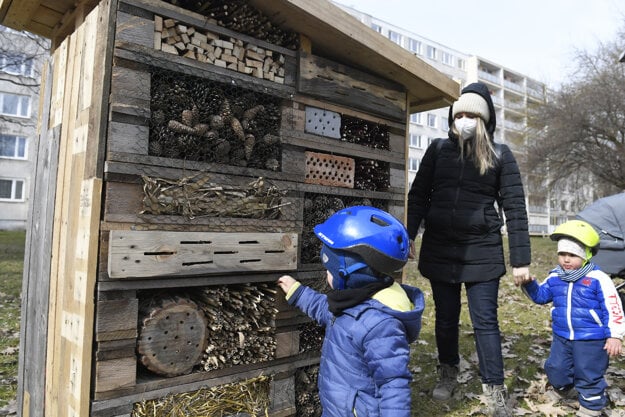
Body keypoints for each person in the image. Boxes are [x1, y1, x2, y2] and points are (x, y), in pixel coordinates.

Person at [406, 81, 531, 416]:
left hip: (482, 249)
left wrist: (521, 259)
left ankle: (495, 388)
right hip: (440, 247)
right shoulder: (436, 150)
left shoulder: (500, 155)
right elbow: (418, 195)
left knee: (485, 322)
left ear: (484, 120)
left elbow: (515, 208)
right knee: (446, 319)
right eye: (459, 113)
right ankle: (448, 369)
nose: (464, 119)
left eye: (471, 115)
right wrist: (409, 236)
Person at [277, 206, 425, 417]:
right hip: (337, 408)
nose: (326, 275)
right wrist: (298, 293)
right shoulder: (352, 301)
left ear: (348, 272)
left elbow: (393, 384)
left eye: (329, 270)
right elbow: (324, 309)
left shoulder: (382, 326)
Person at [521, 220, 625, 417]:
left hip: (591, 339)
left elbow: (614, 307)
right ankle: (568, 389)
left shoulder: (598, 279)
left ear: (585, 255)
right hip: (562, 336)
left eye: (572, 255)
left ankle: (591, 408)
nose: (566, 260)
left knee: (588, 373)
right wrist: (529, 284)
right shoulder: (555, 276)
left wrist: (615, 335)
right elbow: (541, 297)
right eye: (562, 254)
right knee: (556, 368)